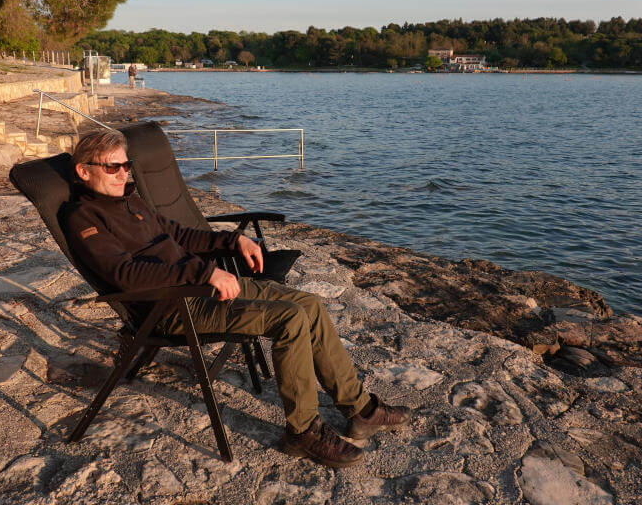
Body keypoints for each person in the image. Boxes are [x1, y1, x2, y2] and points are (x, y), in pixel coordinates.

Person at [60, 130, 411, 467]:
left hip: (200, 287)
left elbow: (178, 234)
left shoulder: (129, 200)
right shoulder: (82, 217)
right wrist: (204, 273)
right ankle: (302, 431)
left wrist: (234, 241)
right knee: (289, 319)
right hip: (171, 307)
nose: (123, 173)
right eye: (112, 167)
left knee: (309, 304)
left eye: (126, 165)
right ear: (83, 170)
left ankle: (360, 411)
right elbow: (125, 275)